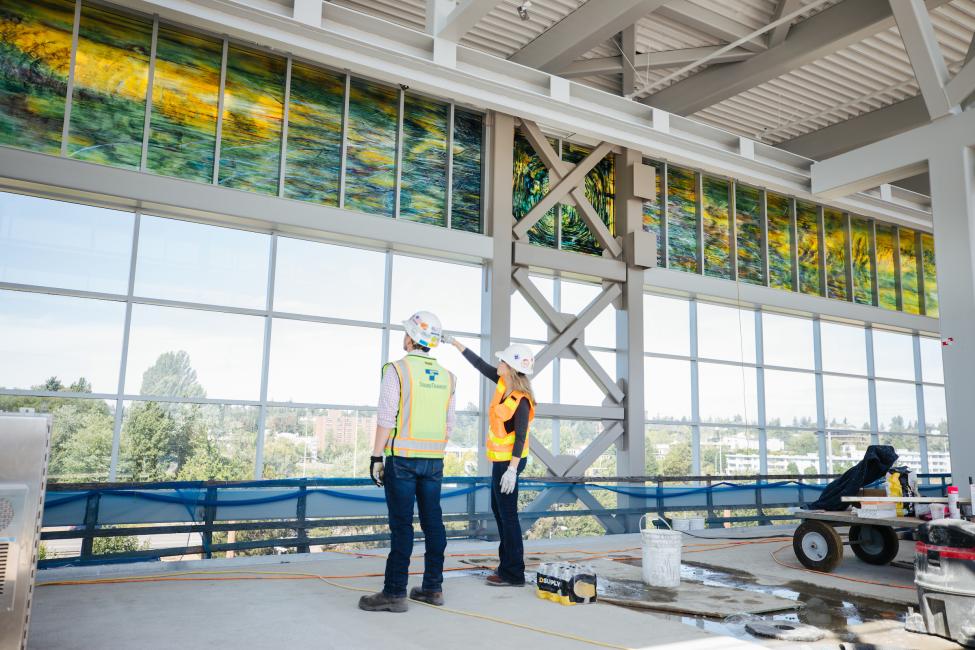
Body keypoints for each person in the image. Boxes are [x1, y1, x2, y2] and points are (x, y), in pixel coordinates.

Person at [358, 311, 456, 613]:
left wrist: (377, 456)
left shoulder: (397, 370)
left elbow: (386, 417)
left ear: (412, 338)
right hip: (434, 461)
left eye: (406, 332)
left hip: (402, 460)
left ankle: (394, 593)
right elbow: (449, 424)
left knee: (402, 526)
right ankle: (432, 588)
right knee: (433, 524)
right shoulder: (448, 377)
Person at [449, 338, 535, 587]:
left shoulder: (521, 399)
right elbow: (479, 364)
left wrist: (512, 470)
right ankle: (506, 567)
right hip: (501, 462)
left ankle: (513, 573)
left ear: (510, 367)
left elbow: (521, 436)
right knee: (501, 514)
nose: (497, 363)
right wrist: (457, 345)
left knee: (508, 516)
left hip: (510, 463)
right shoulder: (503, 385)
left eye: (502, 360)